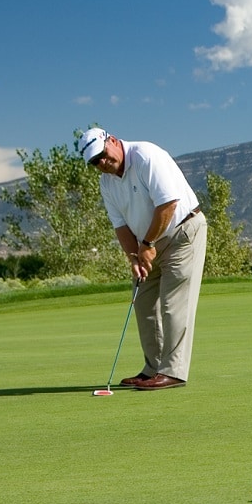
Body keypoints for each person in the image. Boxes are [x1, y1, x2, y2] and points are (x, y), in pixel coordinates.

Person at [78, 127, 207, 391]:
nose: (102, 163)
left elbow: (168, 204)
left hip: (182, 232)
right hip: (148, 242)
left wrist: (147, 244)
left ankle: (173, 372)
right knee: (143, 302)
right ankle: (153, 369)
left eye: (102, 155)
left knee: (173, 305)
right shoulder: (107, 182)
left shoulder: (146, 155)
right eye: (94, 162)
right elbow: (120, 225)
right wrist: (134, 258)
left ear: (112, 141)